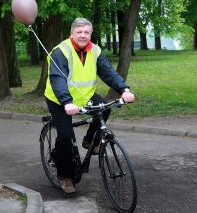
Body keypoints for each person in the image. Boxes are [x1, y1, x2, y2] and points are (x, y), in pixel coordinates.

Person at [44, 17, 135, 194]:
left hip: (85, 96)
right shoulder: (61, 51)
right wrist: (66, 102)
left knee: (105, 107)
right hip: (60, 99)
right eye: (79, 32)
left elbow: (108, 72)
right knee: (65, 136)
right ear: (72, 34)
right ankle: (65, 176)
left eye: (86, 32)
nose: (83, 35)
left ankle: (90, 142)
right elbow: (58, 78)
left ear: (91, 34)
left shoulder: (95, 51)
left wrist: (124, 89)